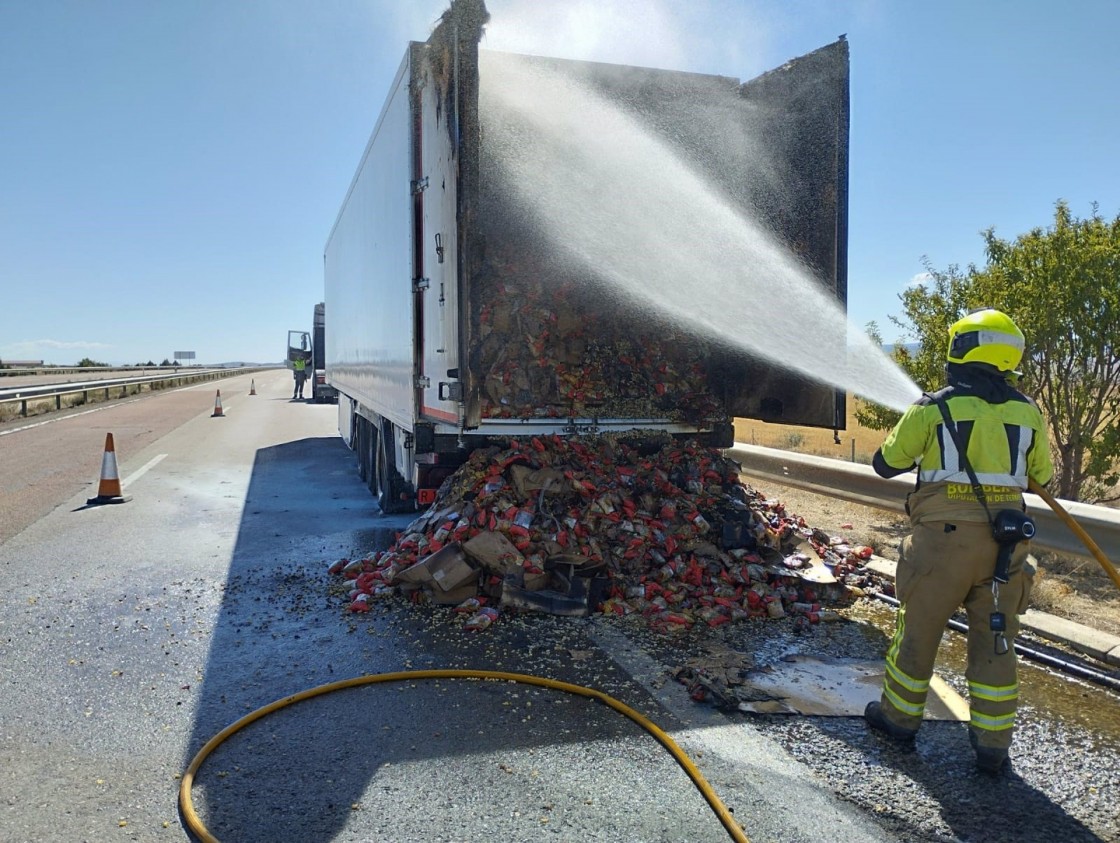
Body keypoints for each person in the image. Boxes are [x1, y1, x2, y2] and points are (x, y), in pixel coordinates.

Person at [864, 307, 1053, 775]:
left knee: (919, 629)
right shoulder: (1028, 413)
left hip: (942, 545)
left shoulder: (934, 408)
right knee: (997, 639)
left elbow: (886, 463)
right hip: (1006, 546)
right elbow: (1043, 476)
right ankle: (992, 746)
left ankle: (899, 719)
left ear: (962, 350)